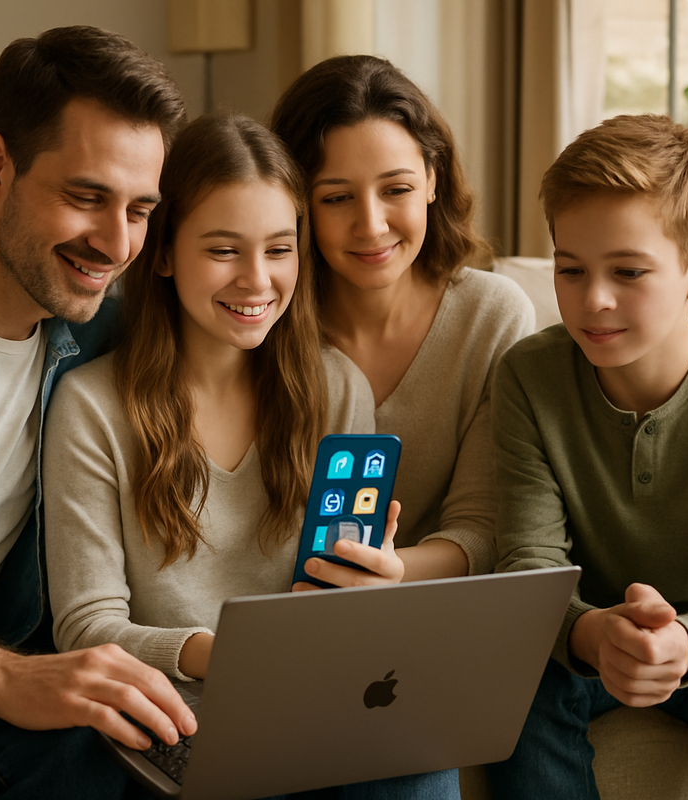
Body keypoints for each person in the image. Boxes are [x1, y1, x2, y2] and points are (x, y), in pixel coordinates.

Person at [43, 112, 460, 799]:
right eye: (223, 249)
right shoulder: (92, 407)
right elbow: (87, 628)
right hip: (179, 715)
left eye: (278, 249)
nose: (256, 280)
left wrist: (367, 590)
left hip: (321, 698)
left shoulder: (335, 388)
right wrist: (231, 657)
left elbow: (337, 604)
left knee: (421, 758)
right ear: (165, 252)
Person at [0, 25, 194, 799]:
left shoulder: (108, 334)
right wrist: (7, 678)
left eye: (141, 209)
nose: (116, 243)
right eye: (86, 197)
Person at [486, 114, 688, 798]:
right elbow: (528, 567)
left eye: (628, 271)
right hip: (579, 637)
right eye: (570, 270)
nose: (594, 300)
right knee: (510, 680)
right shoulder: (529, 374)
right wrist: (591, 635)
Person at [271, 54, 534, 584]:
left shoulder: (491, 315)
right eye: (338, 197)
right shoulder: (261, 320)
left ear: (433, 179)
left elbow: (483, 528)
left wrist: (388, 573)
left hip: (438, 614)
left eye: (397, 189)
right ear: (297, 203)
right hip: (292, 610)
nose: (371, 225)